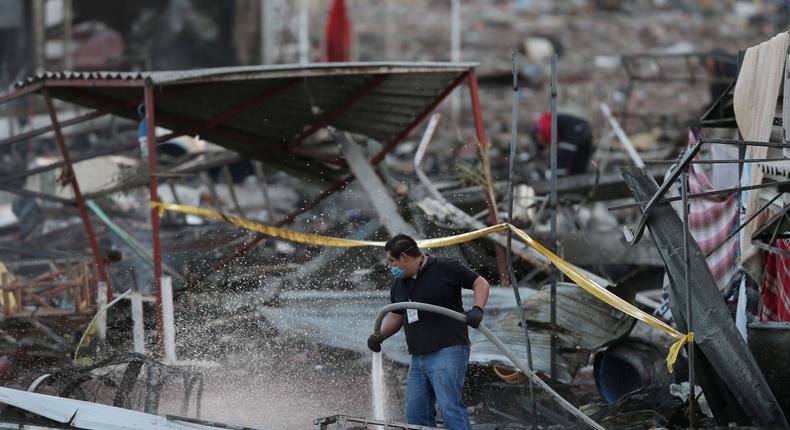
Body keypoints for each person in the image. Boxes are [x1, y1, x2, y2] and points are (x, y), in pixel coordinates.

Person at [367, 234, 490, 429]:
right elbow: (397, 316)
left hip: (448, 350)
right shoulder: (399, 285)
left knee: (449, 405)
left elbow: (480, 283)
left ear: (405, 257)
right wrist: (379, 336)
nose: (390, 266)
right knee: (416, 412)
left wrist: (477, 309)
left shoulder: (445, 268)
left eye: (392, 261)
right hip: (418, 357)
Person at [532, 111, 593, 176]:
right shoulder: (544, 122)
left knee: (562, 160)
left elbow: (553, 136)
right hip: (585, 130)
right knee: (578, 161)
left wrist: (554, 149)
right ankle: (578, 177)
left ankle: (559, 178)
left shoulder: (542, 124)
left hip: (576, 130)